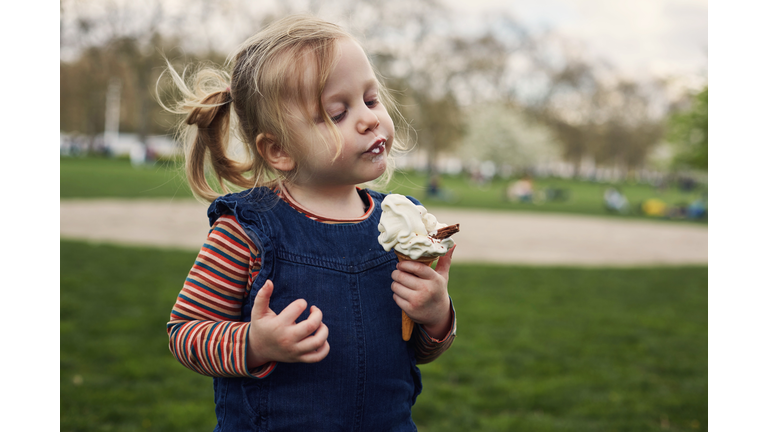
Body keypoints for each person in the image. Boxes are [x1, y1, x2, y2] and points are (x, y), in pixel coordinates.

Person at [161, 15, 457, 431]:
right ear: (279, 149)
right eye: (337, 113)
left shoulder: (401, 222)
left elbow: (416, 348)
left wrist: (437, 313)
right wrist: (254, 343)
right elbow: (186, 332)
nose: (369, 118)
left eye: (371, 100)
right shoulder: (246, 231)